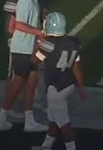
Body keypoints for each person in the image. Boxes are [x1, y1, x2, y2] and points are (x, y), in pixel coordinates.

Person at [0, 0, 47, 132]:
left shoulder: (30, 0)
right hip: (22, 48)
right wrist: (39, 33)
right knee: (17, 84)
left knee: (31, 82)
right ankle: (1, 118)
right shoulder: (23, 1)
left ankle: (29, 120)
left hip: (30, 48)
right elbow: (15, 26)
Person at [33, 12, 85, 150]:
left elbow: (34, 60)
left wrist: (39, 43)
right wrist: (81, 88)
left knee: (63, 121)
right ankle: (46, 146)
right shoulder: (73, 42)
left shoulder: (49, 43)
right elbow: (76, 68)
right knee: (54, 117)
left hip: (56, 87)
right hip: (68, 84)